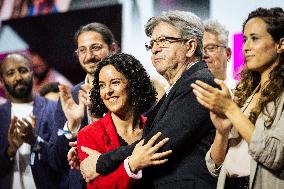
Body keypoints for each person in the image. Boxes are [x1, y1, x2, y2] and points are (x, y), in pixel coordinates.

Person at [76, 10, 217, 189]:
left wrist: (102, 161)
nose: (155, 49)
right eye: (152, 43)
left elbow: (160, 143)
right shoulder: (180, 86)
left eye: (164, 41)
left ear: (190, 47)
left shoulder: (197, 82)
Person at [191, 7, 284, 189]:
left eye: (255, 39)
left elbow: (275, 156)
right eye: (245, 39)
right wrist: (222, 132)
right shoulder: (245, 93)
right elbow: (214, 167)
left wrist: (231, 109)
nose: (246, 47)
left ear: (280, 44)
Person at [77, 53, 172, 188]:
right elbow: (97, 187)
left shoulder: (153, 126)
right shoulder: (89, 134)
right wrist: (132, 165)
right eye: (102, 85)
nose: (108, 91)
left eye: (115, 83)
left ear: (134, 84)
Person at [48, 22, 119, 189]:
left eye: (96, 47)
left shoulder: (130, 90)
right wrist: (71, 127)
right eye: (82, 50)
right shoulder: (69, 97)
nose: (89, 56)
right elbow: (55, 161)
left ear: (113, 48)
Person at [0, 53, 60, 189]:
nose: (18, 77)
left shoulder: (54, 109)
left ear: (32, 73)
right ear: (2, 81)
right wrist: (10, 151)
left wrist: (35, 142)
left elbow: (61, 160)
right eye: (10, 73)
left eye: (23, 70)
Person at [203, 19, 236, 90]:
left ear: (227, 54)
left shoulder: (243, 93)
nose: (203, 55)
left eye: (210, 48)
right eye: (199, 50)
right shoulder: (183, 94)